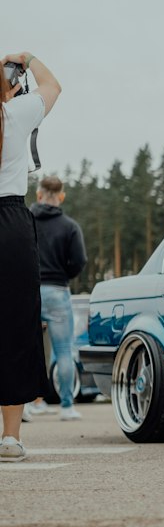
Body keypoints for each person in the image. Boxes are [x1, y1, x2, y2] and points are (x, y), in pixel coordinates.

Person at [0, 53, 63, 462]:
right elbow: (53, 86)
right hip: (8, 222)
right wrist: (28, 58)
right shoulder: (17, 112)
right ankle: (9, 438)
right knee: (14, 325)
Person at [30, 173, 87, 420]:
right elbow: (79, 261)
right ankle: (66, 406)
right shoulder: (70, 226)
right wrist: (64, 274)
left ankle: (30, 404)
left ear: (39, 195)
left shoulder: (26, 221)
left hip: (29, 290)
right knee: (64, 350)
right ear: (61, 196)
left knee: (26, 350)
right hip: (57, 291)